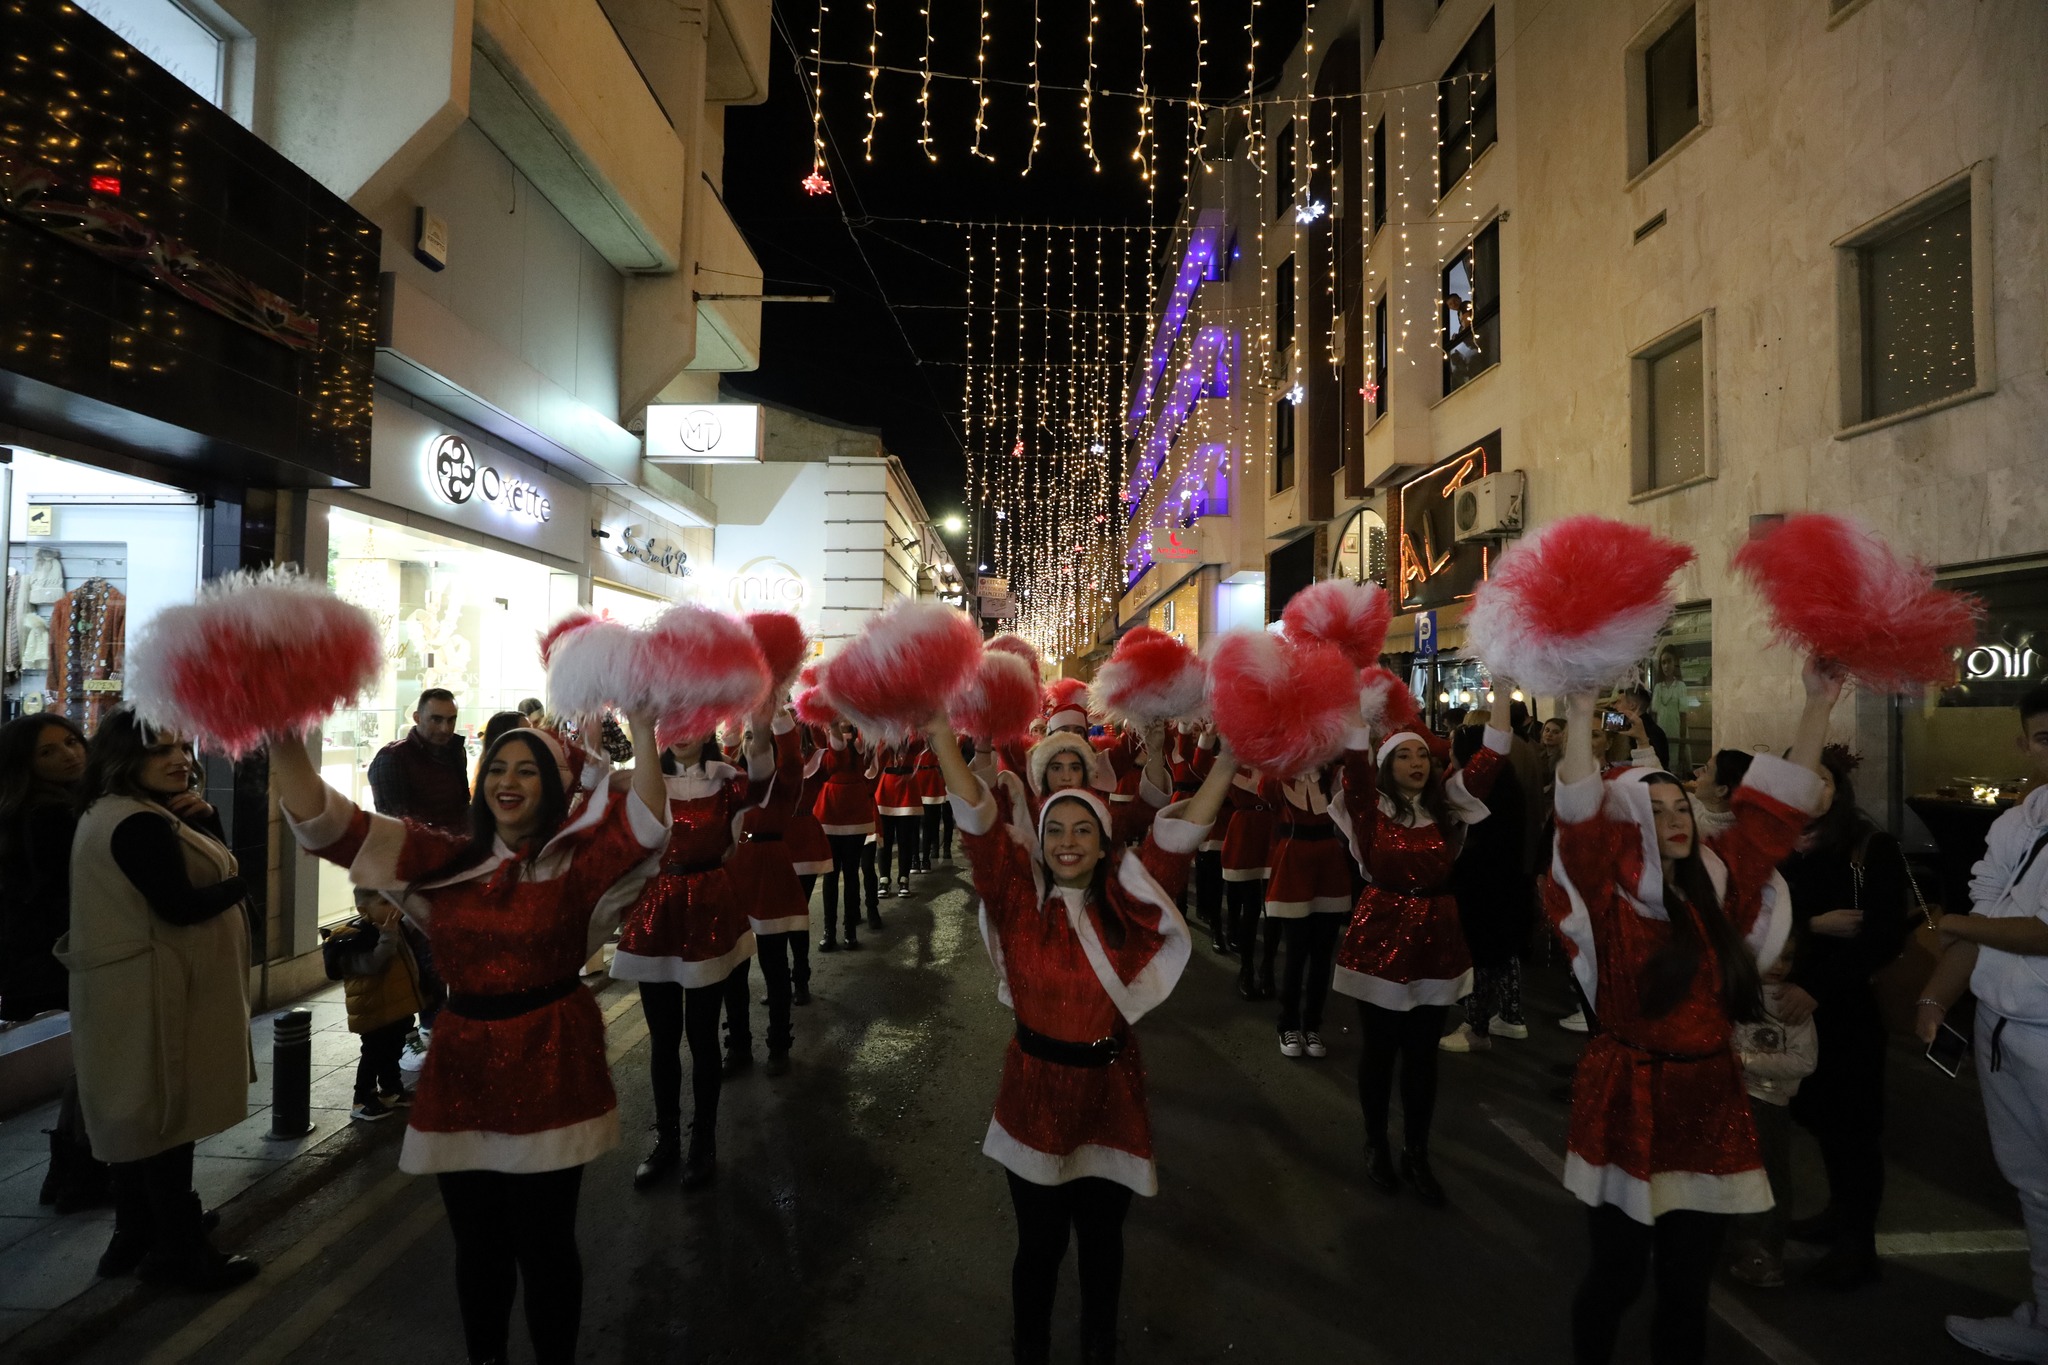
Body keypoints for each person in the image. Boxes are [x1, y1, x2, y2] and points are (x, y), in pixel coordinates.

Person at [271, 711, 669, 1365]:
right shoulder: (443, 856)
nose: (508, 780)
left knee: (545, 1247)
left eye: (529, 769)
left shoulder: (577, 864)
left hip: (551, 1062)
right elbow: (329, 825)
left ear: (555, 787)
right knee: (478, 1246)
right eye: (499, 768)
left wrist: (646, 730)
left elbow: (649, 826)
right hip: (461, 1068)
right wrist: (283, 736)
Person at [1549, 657, 1838, 1365]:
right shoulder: (1606, 895)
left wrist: (1818, 702)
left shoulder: (1723, 885)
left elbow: (1773, 817)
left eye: (1681, 806)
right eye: (1656, 811)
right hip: (1628, 1096)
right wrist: (1582, 713)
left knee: (1686, 1287)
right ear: (1627, 823)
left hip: (1710, 1099)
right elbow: (1579, 824)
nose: (1675, 819)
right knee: (1616, 1278)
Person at [925, 709, 1237, 1365]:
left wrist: (1232, 761)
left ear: (1102, 842)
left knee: (1103, 1241)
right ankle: (1030, 1346)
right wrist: (938, 737)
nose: (1068, 841)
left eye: (1083, 830)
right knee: (1039, 1245)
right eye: (1056, 830)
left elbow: (1176, 839)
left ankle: (1101, 1344)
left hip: (1111, 1093)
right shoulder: (1016, 900)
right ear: (1039, 840)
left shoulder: (1129, 898)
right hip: (1033, 1091)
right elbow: (980, 827)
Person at [61, 710, 257, 1290]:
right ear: (125, 760)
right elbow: (182, 905)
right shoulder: (139, 824)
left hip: (137, 991)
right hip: (155, 996)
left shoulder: (126, 812)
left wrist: (209, 825)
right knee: (167, 1122)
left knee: (142, 1119)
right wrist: (241, 884)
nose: (180, 760)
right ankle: (179, 1254)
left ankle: (143, 1233)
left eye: (182, 748)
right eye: (159, 752)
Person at [1917, 684, 2048, 1363]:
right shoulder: (2019, 821)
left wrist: (1958, 925)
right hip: (2003, 1027)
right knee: (2032, 1183)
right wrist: (1934, 998)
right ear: (2025, 743)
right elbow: (1983, 914)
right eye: (2045, 736)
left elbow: (2034, 930)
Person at [1330, 715, 1507, 1203]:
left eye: (1423, 755)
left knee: (1423, 1056)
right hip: (1381, 930)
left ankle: (1416, 1150)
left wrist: (1507, 684)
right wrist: (1352, 696)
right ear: (1386, 766)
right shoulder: (1370, 808)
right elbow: (1354, 765)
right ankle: (1375, 1143)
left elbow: (1490, 761)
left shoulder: (1447, 808)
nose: (1416, 763)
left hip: (1437, 935)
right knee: (1381, 1051)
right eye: (1404, 756)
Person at [613, 718, 773, 1186]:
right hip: (655, 913)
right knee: (663, 1040)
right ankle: (666, 1141)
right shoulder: (641, 778)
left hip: (708, 912)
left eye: (694, 721)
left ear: (708, 730)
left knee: (703, 1038)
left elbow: (765, 778)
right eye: (673, 720)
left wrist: (764, 717)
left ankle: (703, 1141)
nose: (683, 730)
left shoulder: (728, 781)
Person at [1778, 744, 1909, 1289]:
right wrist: (1812, 925)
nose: (1814, 790)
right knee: (1819, 1119)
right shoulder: (1778, 846)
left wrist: (1817, 985)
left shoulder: (1869, 846)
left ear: (1839, 788)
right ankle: (1837, 1216)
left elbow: (1881, 935)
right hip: (1788, 1002)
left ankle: (1858, 1246)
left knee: (1854, 1127)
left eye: (1824, 780)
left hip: (1847, 1006)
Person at [0, 713, 107, 1213]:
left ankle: (68, 1173)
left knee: (91, 1064)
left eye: (72, 740)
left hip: (51, 959)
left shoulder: (49, 810)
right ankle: (80, 1174)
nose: (69, 753)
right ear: (26, 765)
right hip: (66, 957)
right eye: (49, 751)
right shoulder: (52, 818)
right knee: (100, 1065)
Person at [370, 689, 467, 1077]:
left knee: (446, 954)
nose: (444, 728)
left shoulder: (453, 751)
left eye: (450, 720)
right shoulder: (392, 759)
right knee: (422, 958)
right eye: (436, 719)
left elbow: (462, 804)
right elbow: (397, 823)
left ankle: (443, 1030)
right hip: (416, 874)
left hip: (453, 869)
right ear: (416, 717)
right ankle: (425, 1033)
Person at [724, 709, 814, 1076]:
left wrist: (772, 711)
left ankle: (779, 1040)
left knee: (774, 964)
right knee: (734, 968)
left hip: (772, 871)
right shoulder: (731, 778)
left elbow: (791, 752)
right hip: (736, 873)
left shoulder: (787, 777)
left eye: (754, 739)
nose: (750, 743)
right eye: (746, 738)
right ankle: (739, 1044)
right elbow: (725, 746)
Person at [1726, 933, 1818, 1289]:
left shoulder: (1789, 1002)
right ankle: (1736, 1243)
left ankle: (1765, 1253)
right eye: (1770, 956)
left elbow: (1803, 1060)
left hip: (1766, 1104)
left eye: (1787, 957)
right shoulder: (1734, 993)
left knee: (1768, 1179)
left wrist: (1744, 1060)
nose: (1779, 966)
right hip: (1727, 1100)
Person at [1441, 722, 1534, 1052]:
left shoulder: (1475, 788)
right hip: (1510, 880)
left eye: (1452, 744)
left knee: (1479, 954)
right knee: (1503, 952)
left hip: (1482, 884)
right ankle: (1510, 1016)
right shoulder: (1507, 782)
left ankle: (1475, 1029)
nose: (1447, 750)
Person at [1264, 761, 1354, 1060]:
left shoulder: (1334, 778)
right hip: (1293, 868)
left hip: (1328, 867)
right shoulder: (1279, 777)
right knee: (1296, 953)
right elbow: (1265, 789)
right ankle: (1288, 1024)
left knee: (1321, 956)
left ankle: (1312, 1025)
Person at [326, 898, 423, 1122]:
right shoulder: (353, 936)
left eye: (392, 901)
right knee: (374, 1053)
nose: (392, 908)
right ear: (363, 908)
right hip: (373, 1010)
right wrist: (388, 935)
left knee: (394, 1048)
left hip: (396, 1005)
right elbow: (372, 964)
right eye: (383, 902)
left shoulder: (396, 927)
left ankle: (391, 1090)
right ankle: (362, 1099)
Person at [813, 720, 878, 949]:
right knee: (831, 875)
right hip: (829, 810)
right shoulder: (824, 734)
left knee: (851, 873)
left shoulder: (862, 739)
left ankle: (850, 929)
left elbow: (872, 761)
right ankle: (829, 931)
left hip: (855, 810)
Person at [1221, 766, 1279, 1000]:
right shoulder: (1236, 760)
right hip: (1245, 829)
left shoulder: (1278, 759)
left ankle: (1268, 967)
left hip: (1274, 828)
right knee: (1251, 907)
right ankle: (1247, 968)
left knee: (1275, 909)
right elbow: (1202, 764)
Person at [874, 736, 926, 900]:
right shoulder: (883, 734)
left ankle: (904, 879)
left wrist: (908, 728)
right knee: (885, 839)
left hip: (907, 787)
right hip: (886, 789)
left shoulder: (911, 734)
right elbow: (878, 752)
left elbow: (919, 744)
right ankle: (884, 879)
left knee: (905, 839)